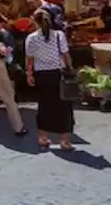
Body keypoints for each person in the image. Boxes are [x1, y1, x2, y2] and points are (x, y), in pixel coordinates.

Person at [25, 8, 75, 151]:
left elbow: (30, 60)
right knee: (64, 107)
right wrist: (70, 68)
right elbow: (66, 55)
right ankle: (64, 140)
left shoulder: (31, 38)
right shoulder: (59, 35)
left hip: (42, 75)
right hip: (59, 73)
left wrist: (29, 74)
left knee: (45, 106)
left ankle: (43, 137)